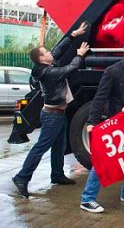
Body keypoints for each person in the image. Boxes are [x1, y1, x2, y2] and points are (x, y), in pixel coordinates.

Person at [12, 22, 90, 198]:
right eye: (46, 52)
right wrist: (78, 55)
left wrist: (73, 35)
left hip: (59, 114)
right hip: (52, 115)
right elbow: (68, 69)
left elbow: (59, 50)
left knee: (59, 145)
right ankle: (21, 177)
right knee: (41, 147)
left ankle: (57, 175)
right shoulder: (48, 73)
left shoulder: (47, 64)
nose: (49, 53)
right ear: (41, 59)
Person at [80, 38, 124, 213]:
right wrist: (92, 122)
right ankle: (87, 199)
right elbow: (100, 98)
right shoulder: (112, 72)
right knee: (105, 160)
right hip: (118, 124)